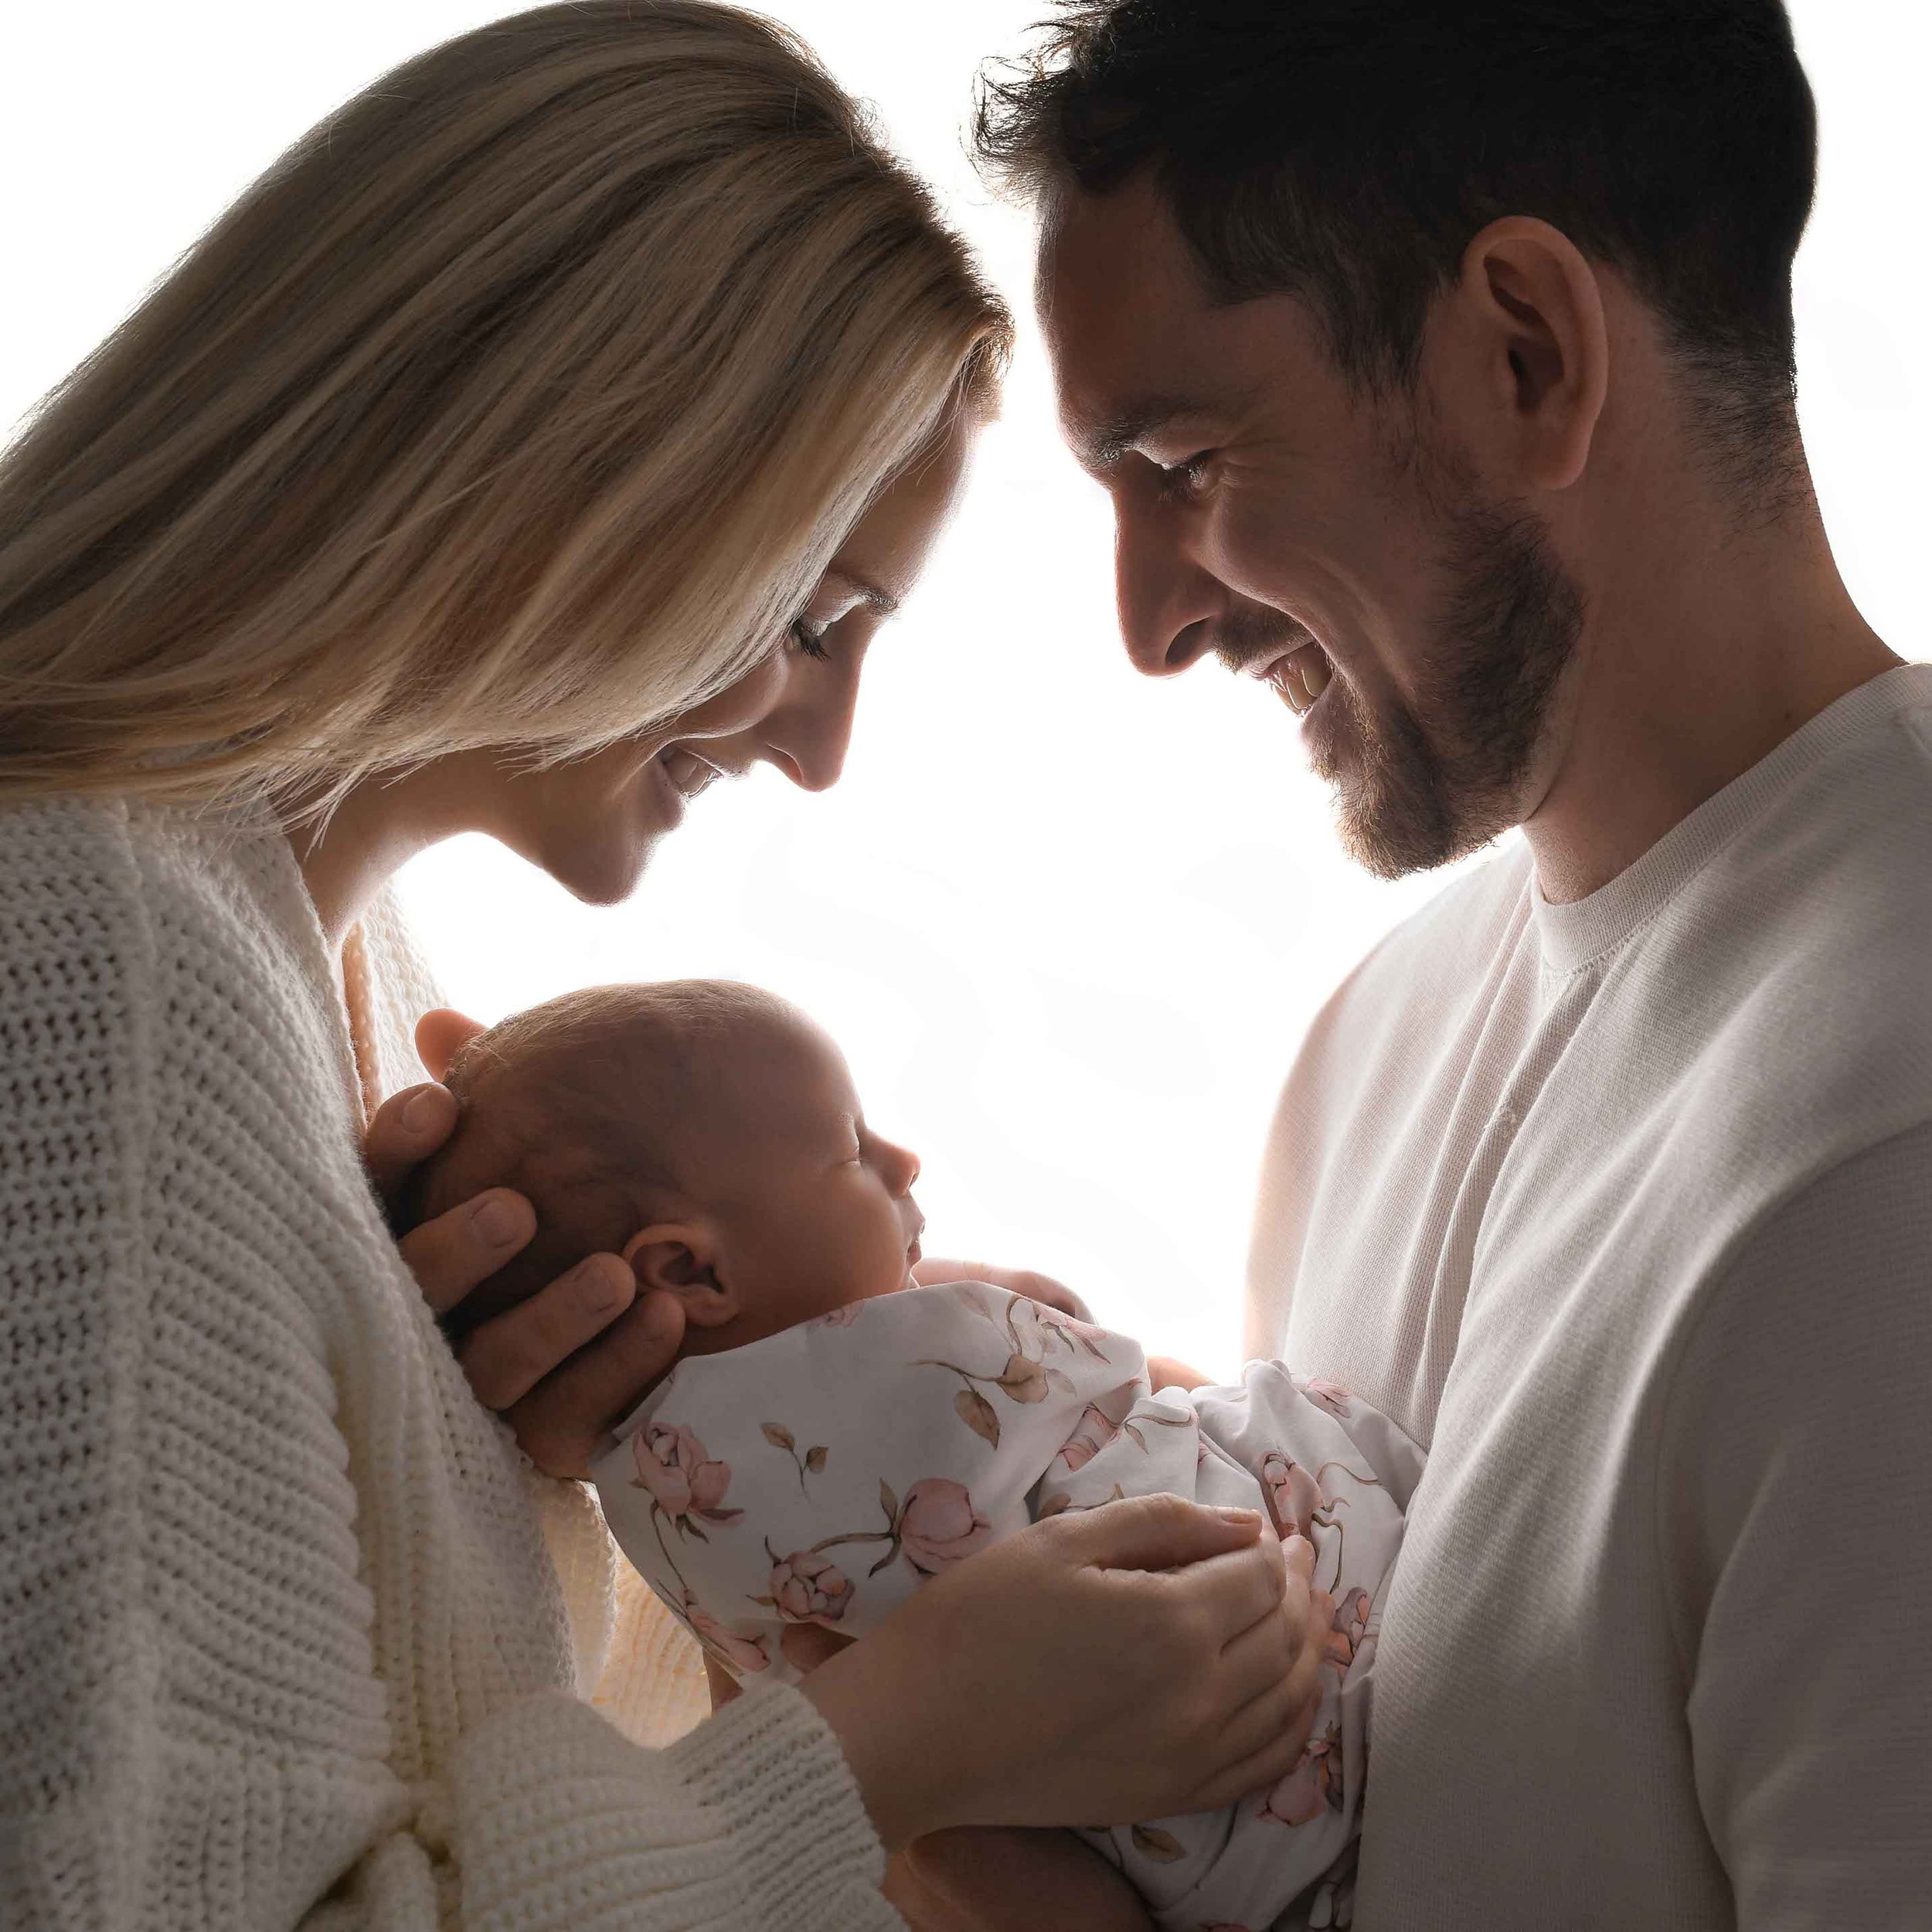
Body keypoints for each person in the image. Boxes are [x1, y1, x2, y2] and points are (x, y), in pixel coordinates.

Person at [0, 5, 1325, 1926]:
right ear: (569, 477)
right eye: (812, 617)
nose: (820, 744)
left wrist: (639, 1493)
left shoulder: (343, 969)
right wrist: (899, 1737)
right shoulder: (99, 971)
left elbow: (393, 1782)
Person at [967, 1, 1932, 1927]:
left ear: (1524, 351)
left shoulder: (1891, 1154)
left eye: (1183, 457)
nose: (1148, 620)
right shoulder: (1370, 1040)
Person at [402, 977, 1417, 1931]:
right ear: (690, 1269)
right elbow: (1087, 1367)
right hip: (1281, 1677)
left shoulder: (647, 1495)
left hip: (1191, 1873)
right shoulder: (920, 1370)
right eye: (852, 1150)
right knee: (1243, 1420)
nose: (903, 1164)